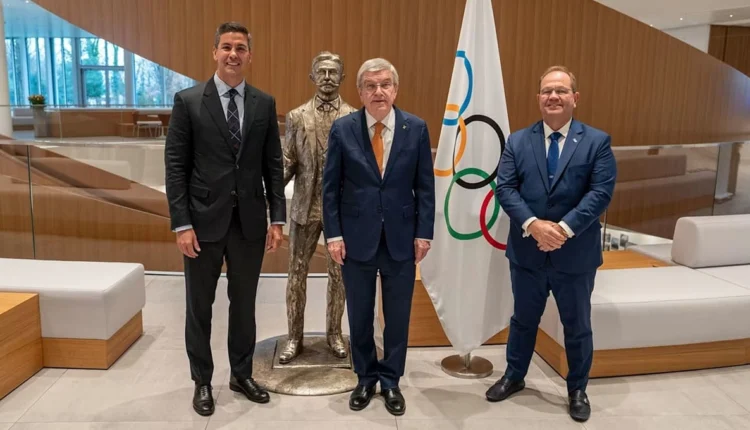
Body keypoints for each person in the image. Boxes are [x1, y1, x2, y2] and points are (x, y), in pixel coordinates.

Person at [164, 21, 286, 416]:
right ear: (215, 52)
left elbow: (273, 165)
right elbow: (176, 167)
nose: (233, 54)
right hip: (201, 224)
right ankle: (202, 381)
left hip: (249, 223)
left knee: (244, 304)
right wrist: (182, 224)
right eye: (227, 47)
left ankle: (241, 374)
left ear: (250, 56)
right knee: (199, 306)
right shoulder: (188, 101)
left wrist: (277, 219)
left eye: (240, 48)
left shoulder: (264, 103)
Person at [487, 65, 617, 422]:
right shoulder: (517, 141)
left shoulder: (597, 142)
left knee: (577, 325)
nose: (553, 96)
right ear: (538, 98)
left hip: (574, 255)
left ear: (575, 98)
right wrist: (534, 226)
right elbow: (505, 188)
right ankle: (514, 376)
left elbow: (600, 193)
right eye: (547, 91)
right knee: (522, 320)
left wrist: (561, 229)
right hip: (527, 253)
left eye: (561, 90)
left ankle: (577, 389)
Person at [322, 58, 435, 416]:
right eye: (370, 86)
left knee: (398, 315)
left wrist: (424, 233)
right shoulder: (343, 129)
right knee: (359, 313)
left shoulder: (416, 128)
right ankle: (365, 377)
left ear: (395, 89)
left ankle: (390, 380)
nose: (378, 92)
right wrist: (333, 234)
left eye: (385, 84)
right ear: (360, 92)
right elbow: (330, 188)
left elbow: (425, 187)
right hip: (356, 238)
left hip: (402, 238)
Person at [279, 51, 357, 364]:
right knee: (296, 274)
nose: (327, 78)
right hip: (305, 207)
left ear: (342, 77)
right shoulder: (297, 116)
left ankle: (334, 334)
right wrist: (263, 193)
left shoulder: (354, 117)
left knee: (339, 276)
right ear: (312, 76)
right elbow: (288, 161)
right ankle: (294, 338)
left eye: (332, 72)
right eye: (321, 72)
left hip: (342, 212)